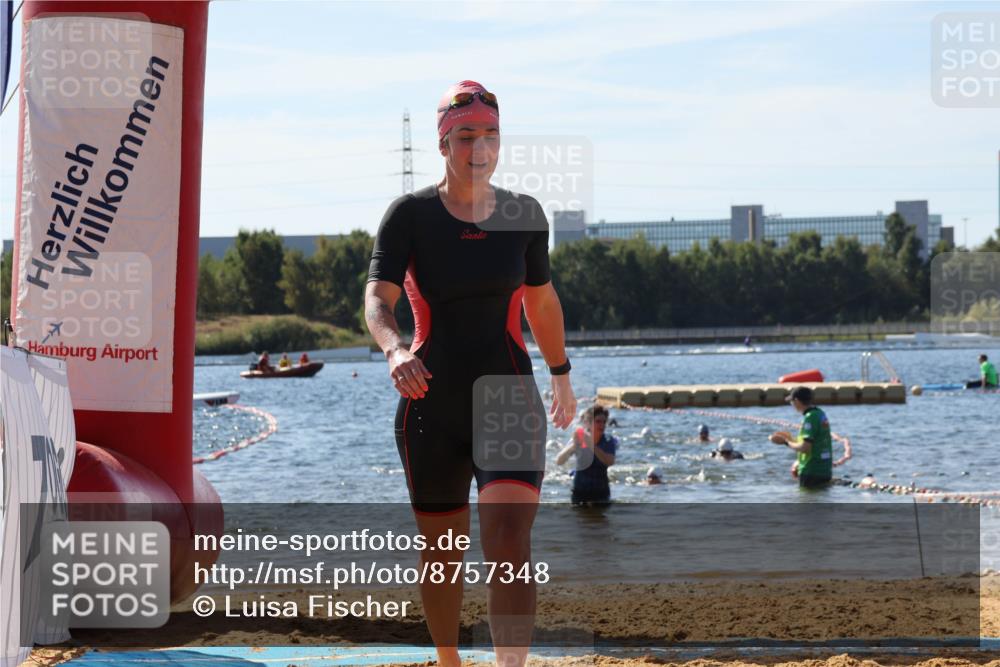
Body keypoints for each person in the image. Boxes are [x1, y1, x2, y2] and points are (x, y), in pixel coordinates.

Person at [364, 80, 576, 667]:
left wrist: (560, 372)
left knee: (509, 544)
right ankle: (450, 661)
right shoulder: (409, 216)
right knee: (443, 553)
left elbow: (542, 301)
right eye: (465, 137)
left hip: (508, 393)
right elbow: (377, 299)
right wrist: (393, 350)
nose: (479, 148)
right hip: (430, 397)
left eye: (490, 135)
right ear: (443, 144)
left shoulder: (524, 215)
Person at [770, 387, 833, 488]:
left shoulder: (809, 418)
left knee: (807, 501)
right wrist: (790, 439)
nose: (792, 405)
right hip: (825, 470)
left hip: (811, 471)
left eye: (791, 402)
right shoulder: (820, 413)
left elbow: (805, 448)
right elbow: (814, 443)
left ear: (797, 401)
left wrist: (785, 442)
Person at [556, 406, 617, 504]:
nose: (602, 425)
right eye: (598, 421)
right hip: (580, 492)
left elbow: (610, 461)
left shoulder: (608, 441)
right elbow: (559, 461)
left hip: (601, 493)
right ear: (589, 423)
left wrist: (591, 445)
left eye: (604, 422)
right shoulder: (580, 439)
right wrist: (574, 446)